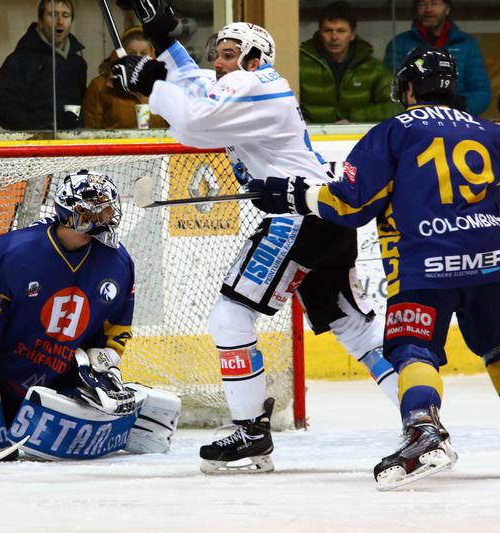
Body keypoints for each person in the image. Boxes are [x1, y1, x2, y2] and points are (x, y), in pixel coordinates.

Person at [111, 1, 398, 474]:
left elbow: (195, 122)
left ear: (254, 58)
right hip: (323, 216)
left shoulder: (259, 84)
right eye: (217, 54)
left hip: (297, 218)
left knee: (230, 319)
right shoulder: (249, 84)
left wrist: (150, 83)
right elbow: (197, 89)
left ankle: (250, 432)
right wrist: (163, 39)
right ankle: (421, 416)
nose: (218, 63)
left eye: (228, 54)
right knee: (355, 329)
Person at [249, 46, 500, 490]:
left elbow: (351, 204)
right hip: (493, 264)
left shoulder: (393, 132)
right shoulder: (491, 131)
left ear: (409, 88)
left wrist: (293, 195)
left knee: (412, 350)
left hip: (426, 267)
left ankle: (423, 431)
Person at [0, 171, 181, 461]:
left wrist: (104, 361)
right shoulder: (14, 252)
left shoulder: (118, 262)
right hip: (1, 380)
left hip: (59, 379)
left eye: (108, 210)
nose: (106, 218)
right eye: (96, 211)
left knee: (105, 402)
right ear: (69, 212)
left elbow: (116, 328)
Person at [299, 1, 401, 124]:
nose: (334, 37)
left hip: (357, 133)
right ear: (320, 34)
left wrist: (354, 118)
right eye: (328, 30)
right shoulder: (300, 65)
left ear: (352, 35)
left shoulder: (373, 68)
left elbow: (396, 107)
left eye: (341, 31)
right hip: (311, 133)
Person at [384, 0, 490, 116]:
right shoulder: (399, 43)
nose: (428, 9)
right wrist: (414, 109)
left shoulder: (467, 43)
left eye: (435, 3)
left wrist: (458, 106)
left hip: (458, 117)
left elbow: (481, 91)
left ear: (447, 9)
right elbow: (391, 89)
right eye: (422, 4)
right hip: (415, 117)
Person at [0, 0, 87, 131]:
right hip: (33, 141)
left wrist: (74, 125)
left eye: (66, 16)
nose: (60, 21)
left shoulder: (77, 63)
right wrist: (44, 126)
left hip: (71, 140)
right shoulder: (18, 62)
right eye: (53, 14)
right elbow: (9, 114)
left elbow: (80, 107)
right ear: (40, 21)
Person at [83, 26, 168, 129]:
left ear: (152, 54)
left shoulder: (163, 86)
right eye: (132, 53)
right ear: (120, 55)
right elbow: (90, 130)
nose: (138, 58)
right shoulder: (100, 86)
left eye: (144, 53)